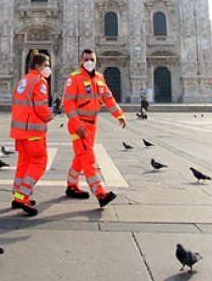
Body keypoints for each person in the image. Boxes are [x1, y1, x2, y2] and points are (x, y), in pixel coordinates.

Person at [63, 49, 126, 208]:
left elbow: (108, 97)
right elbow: (68, 103)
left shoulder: (99, 77)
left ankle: (72, 185)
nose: (89, 61)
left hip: (92, 124)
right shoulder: (74, 78)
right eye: (86, 59)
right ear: (81, 61)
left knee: (80, 156)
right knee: (88, 158)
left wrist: (118, 114)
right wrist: (77, 125)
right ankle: (100, 193)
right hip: (80, 125)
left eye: (92, 59)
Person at [9, 51, 54, 216]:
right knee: (39, 163)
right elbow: (41, 106)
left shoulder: (23, 80)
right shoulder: (39, 82)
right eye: (46, 65)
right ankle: (23, 197)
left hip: (19, 131)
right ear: (38, 66)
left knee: (24, 163)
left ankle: (16, 194)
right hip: (33, 130)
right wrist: (50, 116)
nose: (48, 69)